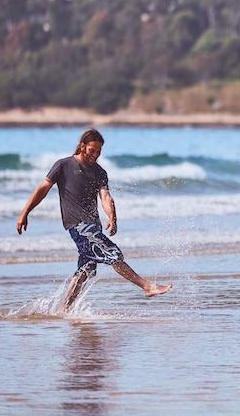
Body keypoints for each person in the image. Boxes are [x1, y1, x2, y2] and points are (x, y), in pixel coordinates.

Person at [16, 128, 172, 311]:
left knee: (85, 271)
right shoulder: (63, 165)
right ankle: (147, 286)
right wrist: (24, 213)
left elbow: (105, 196)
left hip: (93, 227)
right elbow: (42, 190)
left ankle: (64, 309)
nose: (95, 155)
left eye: (99, 151)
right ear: (82, 146)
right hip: (78, 226)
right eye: (92, 150)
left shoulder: (100, 172)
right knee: (113, 253)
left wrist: (112, 216)